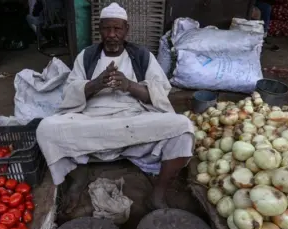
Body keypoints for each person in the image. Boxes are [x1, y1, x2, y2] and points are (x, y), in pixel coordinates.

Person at [36, 2, 194, 210]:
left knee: (184, 127)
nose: (112, 34)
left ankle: (158, 191)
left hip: (134, 118)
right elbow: (69, 92)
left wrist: (130, 86)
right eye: (107, 28)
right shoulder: (87, 56)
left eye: (117, 28)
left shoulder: (142, 56)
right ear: (100, 30)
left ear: (126, 30)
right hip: (92, 119)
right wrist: (96, 83)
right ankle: (78, 176)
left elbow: (159, 94)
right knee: (46, 128)